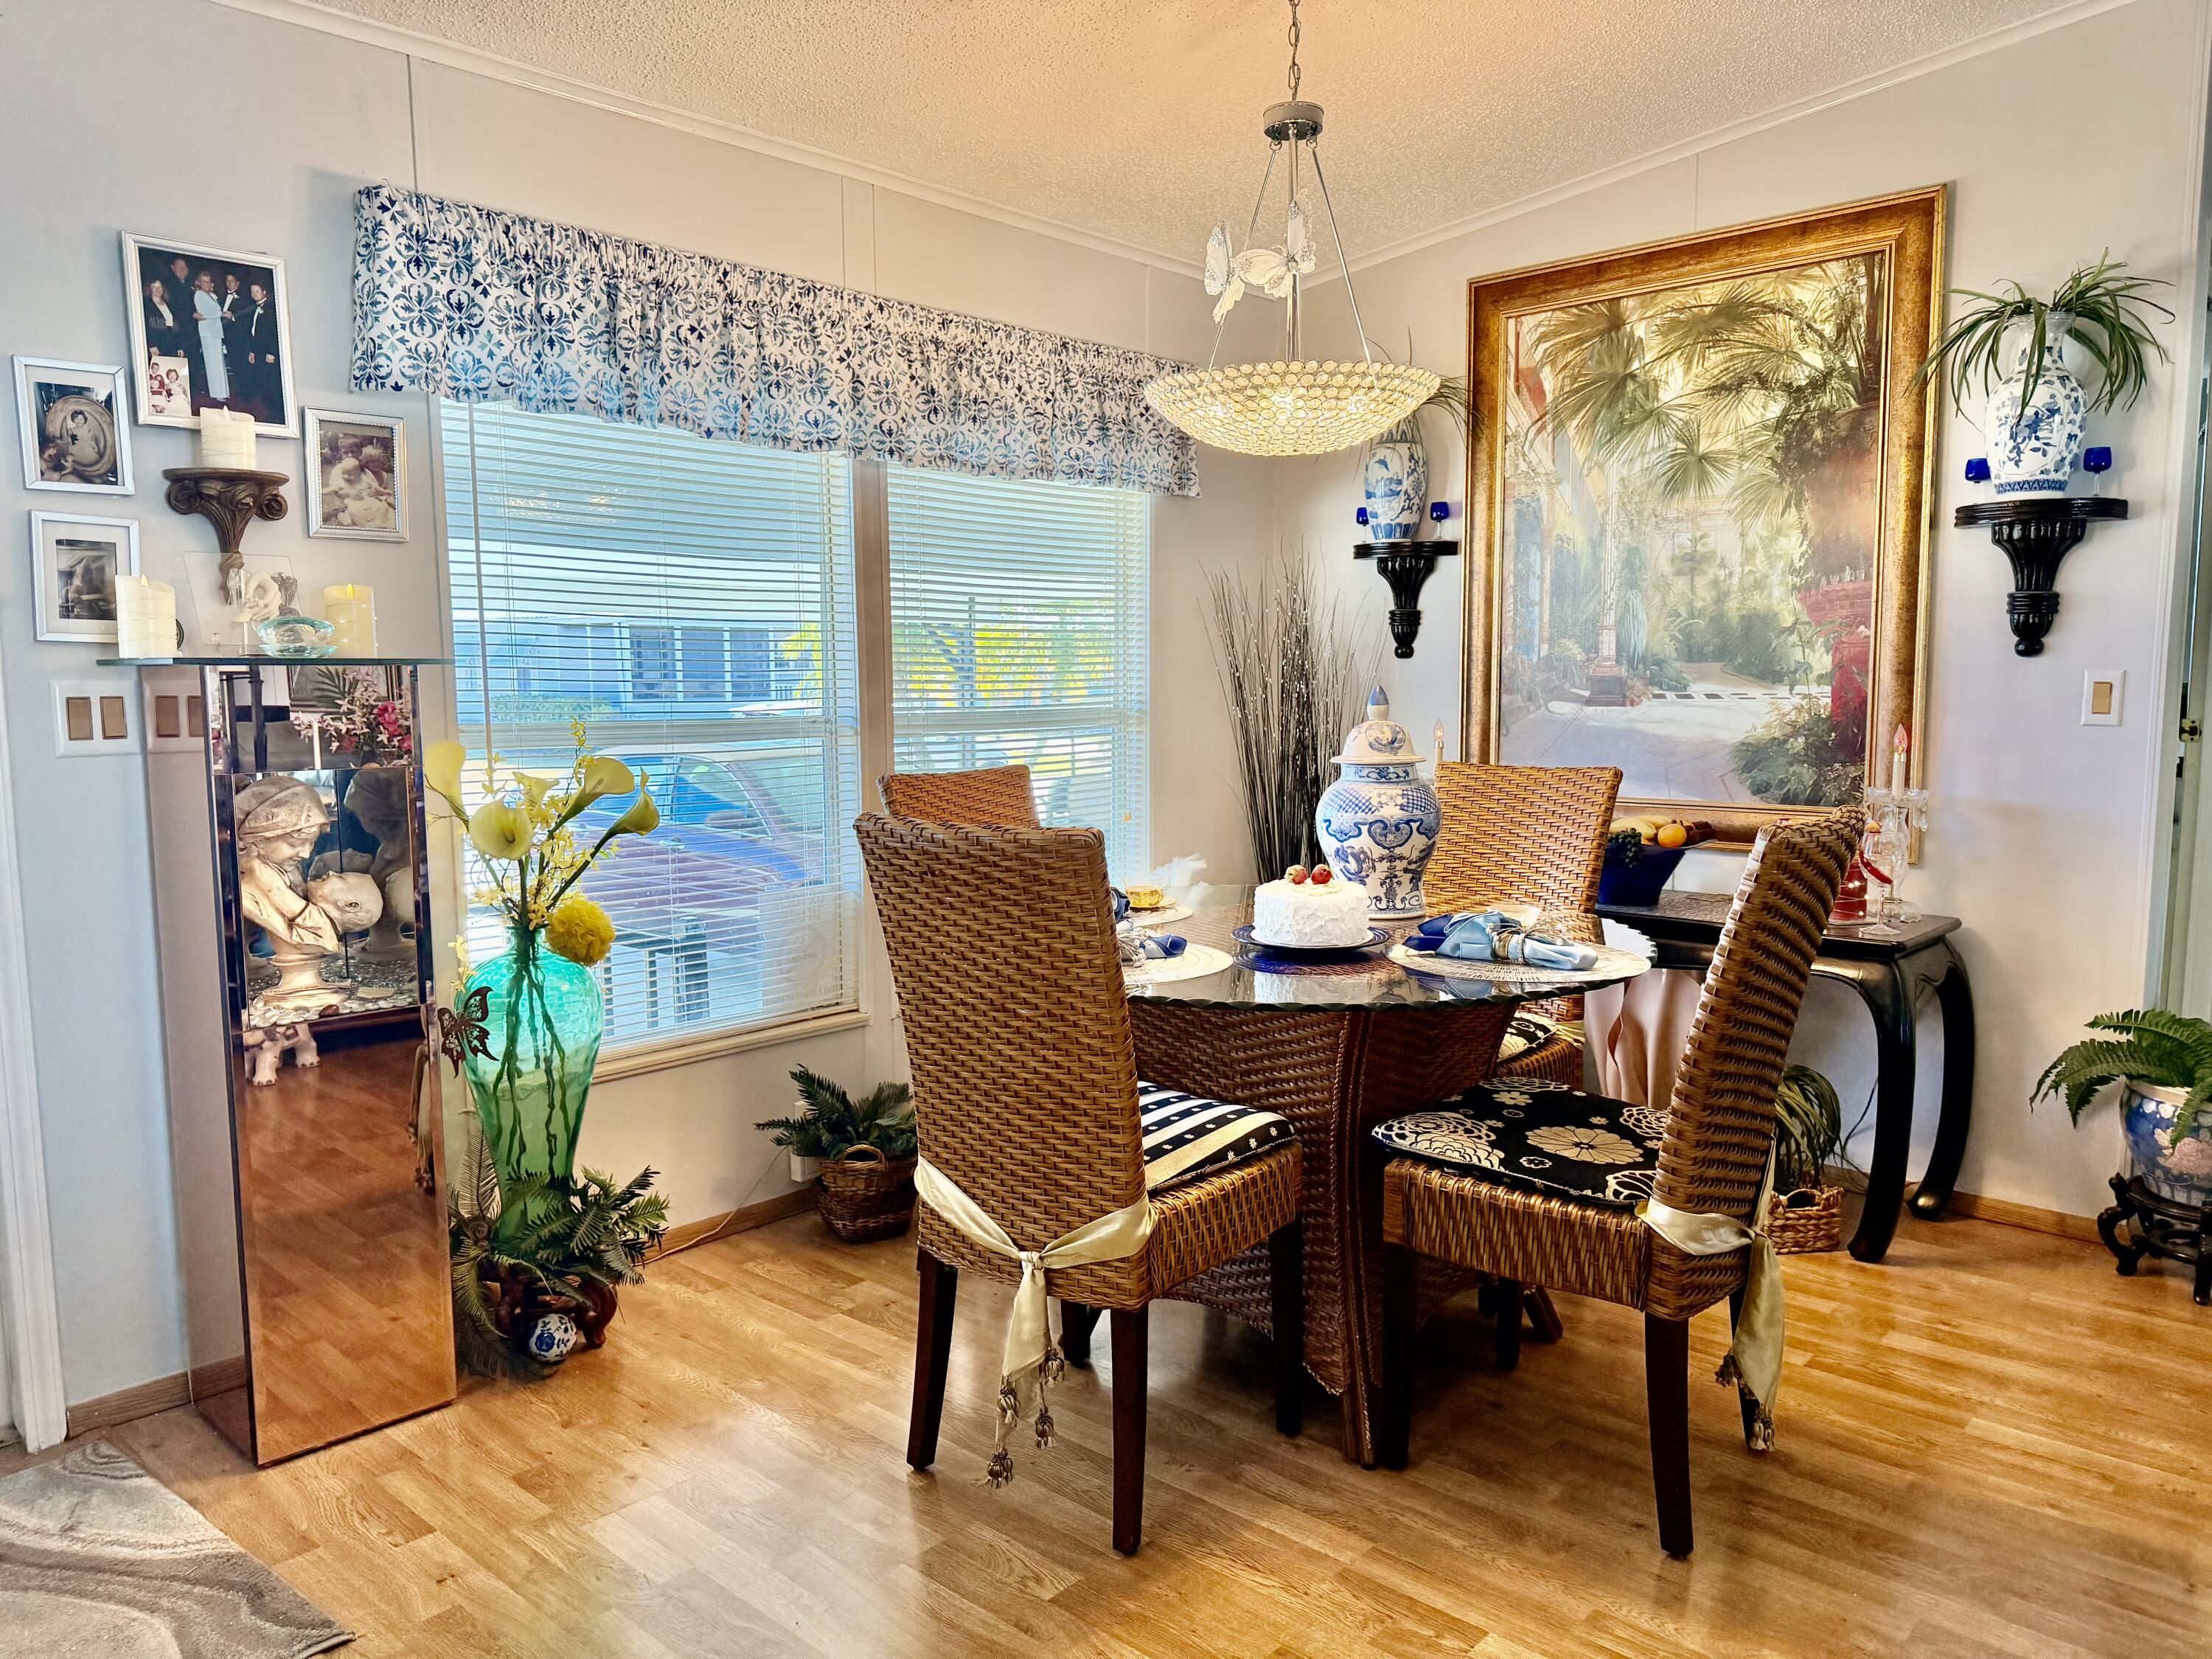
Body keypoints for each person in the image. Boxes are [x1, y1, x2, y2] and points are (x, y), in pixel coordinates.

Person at [238, 279, 281, 420]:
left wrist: (272, 352)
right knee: (261, 380)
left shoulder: (271, 309)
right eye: (252, 292)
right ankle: (266, 408)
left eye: (257, 291)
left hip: (268, 351)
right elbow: (253, 331)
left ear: (264, 292)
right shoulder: (254, 308)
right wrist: (252, 351)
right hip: (258, 350)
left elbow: (274, 332)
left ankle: (275, 413)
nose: (255, 294)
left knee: (270, 382)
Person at [191, 270, 231, 403]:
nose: (207, 284)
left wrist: (220, 313)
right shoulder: (199, 295)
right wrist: (222, 313)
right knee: (213, 364)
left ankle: (224, 391)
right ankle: (217, 393)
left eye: (209, 282)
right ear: (199, 283)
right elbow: (207, 312)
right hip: (208, 333)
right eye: (204, 282)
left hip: (215, 332)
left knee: (219, 363)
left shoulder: (211, 296)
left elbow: (214, 312)